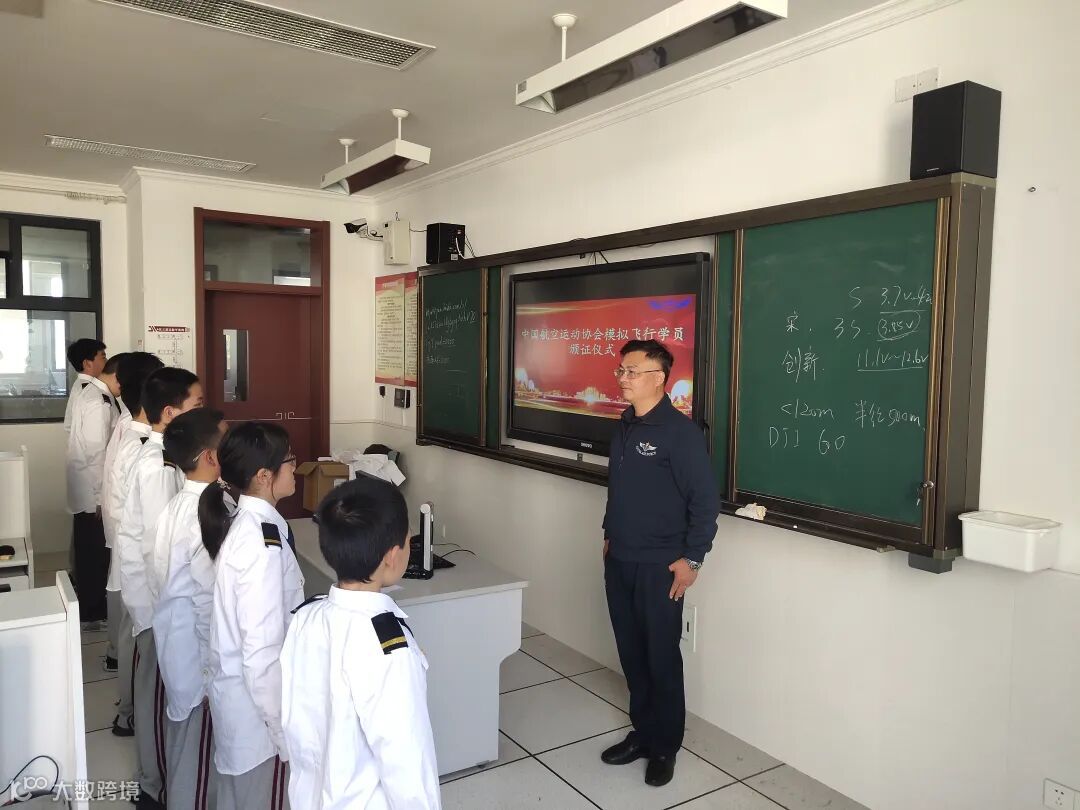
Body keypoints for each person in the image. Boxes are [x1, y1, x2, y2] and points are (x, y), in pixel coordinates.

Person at [600, 339, 720, 787]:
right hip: (621, 558)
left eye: (632, 371)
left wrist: (693, 559)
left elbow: (704, 503)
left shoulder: (679, 433)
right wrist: (609, 534)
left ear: (659, 379)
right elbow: (619, 489)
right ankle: (644, 734)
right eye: (621, 370)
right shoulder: (624, 425)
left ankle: (665, 746)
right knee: (632, 653)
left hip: (661, 567)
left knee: (660, 657)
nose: (623, 378)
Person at [282, 477, 441, 810]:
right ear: (392, 556)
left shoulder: (306, 617)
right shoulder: (389, 649)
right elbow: (408, 767)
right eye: (408, 539)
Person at [199, 422, 304, 810]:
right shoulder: (261, 544)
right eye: (289, 460)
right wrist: (283, 732)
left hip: (242, 708)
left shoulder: (257, 527)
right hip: (257, 723)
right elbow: (261, 654)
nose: (296, 467)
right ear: (264, 475)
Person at [117, 366, 204, 809]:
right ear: (170, 413)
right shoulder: (156, 467)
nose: (203, 411)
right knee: (154, 692)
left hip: (164, 599)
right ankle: (151, 786)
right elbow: (158, 550)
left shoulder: (167, 458)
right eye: (197, 404)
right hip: (154, 602)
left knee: (165, 687)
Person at [153, 408, 228, 810]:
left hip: (177, 646)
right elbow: (206, 602)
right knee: (197, 762)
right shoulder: (205, 514)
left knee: (186, 749)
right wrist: (212, 669)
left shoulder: (177, 505)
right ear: (211, 457)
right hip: (197, 661)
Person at [102, 352, 165, 734]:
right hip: (136, 556)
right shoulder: (141, 443)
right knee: (136, 636)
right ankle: (128, 713)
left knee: (132, 633)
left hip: (128, 549)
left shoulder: (131, 429)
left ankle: (130, 707)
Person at [66, 344, 120, 628]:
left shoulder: (88, 391)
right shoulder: (96, 398)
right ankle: (93, 611)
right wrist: (101, 496)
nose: (105, 361)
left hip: (85, 485)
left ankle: (90, 605)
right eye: (102, 356)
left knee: (89, 548)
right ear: (88, 363)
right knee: (93, 552)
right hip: (92, 490)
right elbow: (97, 452)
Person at [63, 337, 107, 432]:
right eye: (103, 357)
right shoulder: (89, 390)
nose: (107, 361)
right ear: (87, 363)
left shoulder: (81, 385)